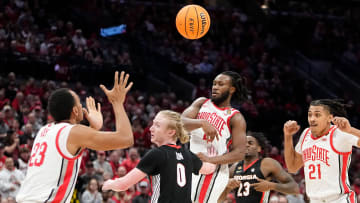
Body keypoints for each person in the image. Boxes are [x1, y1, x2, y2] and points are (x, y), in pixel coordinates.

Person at [16, 71, 134, 203]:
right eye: (79, 102)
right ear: (75, 111)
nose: (82, 105)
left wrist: (94, 128)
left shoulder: (44, 130)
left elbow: (72, 147)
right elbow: (126, 139)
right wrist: (117, 103)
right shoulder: (72, 132)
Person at [102, 110, 216, 203]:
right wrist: (212, 157)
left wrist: (108, 184)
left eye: (157, 125)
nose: (151, 128)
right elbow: (209, 169)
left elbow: (123, 185)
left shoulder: (157, 154)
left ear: (171, 132)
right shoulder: (187, 154)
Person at [181, 71, 248, 203]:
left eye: (220, 84)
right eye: (214, 84)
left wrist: (211, 160)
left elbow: (240, 153)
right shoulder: (201, 103)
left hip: (212, 174)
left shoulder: (235, 117)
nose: (215, 87)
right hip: (189, 166)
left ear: (231, 89)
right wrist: (201, 122)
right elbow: (179, 123)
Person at [284, 99, 360, 203]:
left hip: (339, 199)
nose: (312, 119)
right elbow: (292, 167)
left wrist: (351, 130)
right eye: (309, 115)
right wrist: (288, 136)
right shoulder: (306, 134)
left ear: (330, 118)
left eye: (317, 115)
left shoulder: (340, 133)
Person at [218, 132, 299, 203]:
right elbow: (219, 199)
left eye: (250, 143)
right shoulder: (234, 168)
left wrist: (272, 186)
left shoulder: (267, 163)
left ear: (259, 148)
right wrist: (227, 184)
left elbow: (294, 188)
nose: (246, 145)